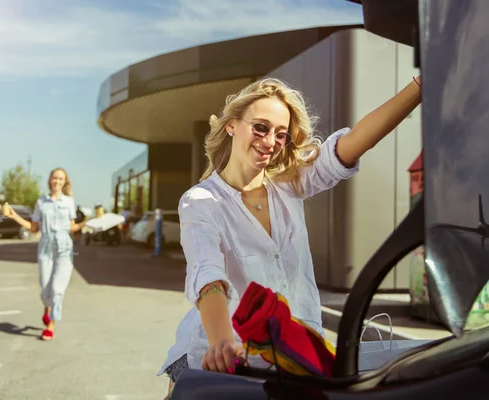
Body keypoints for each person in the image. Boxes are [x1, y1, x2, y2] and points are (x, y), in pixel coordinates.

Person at [157, 76, 422, 391]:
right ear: (232, 125)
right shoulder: (201, 201)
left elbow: (354, 144)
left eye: (280, 134)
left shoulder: (289, 185)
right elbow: (207, 273)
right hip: (218, 362)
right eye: (260, 127)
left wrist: (421, 84)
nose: (270, 141)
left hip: (296, 360)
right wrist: (222, 341)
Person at [7, 167, 87, 341]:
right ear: (50, 180)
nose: (57, 181)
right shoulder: (41, 202)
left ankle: (50, 324)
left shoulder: (69, 202)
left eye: (60, 179)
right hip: (46, 246)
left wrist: (85, 225)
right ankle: (47, 307)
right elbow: (34, 227)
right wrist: (15, 217)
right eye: (54, 178)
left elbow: (72, 227)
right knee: (45, 289)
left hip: (64, 247)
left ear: (64, 182)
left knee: (57, 289)